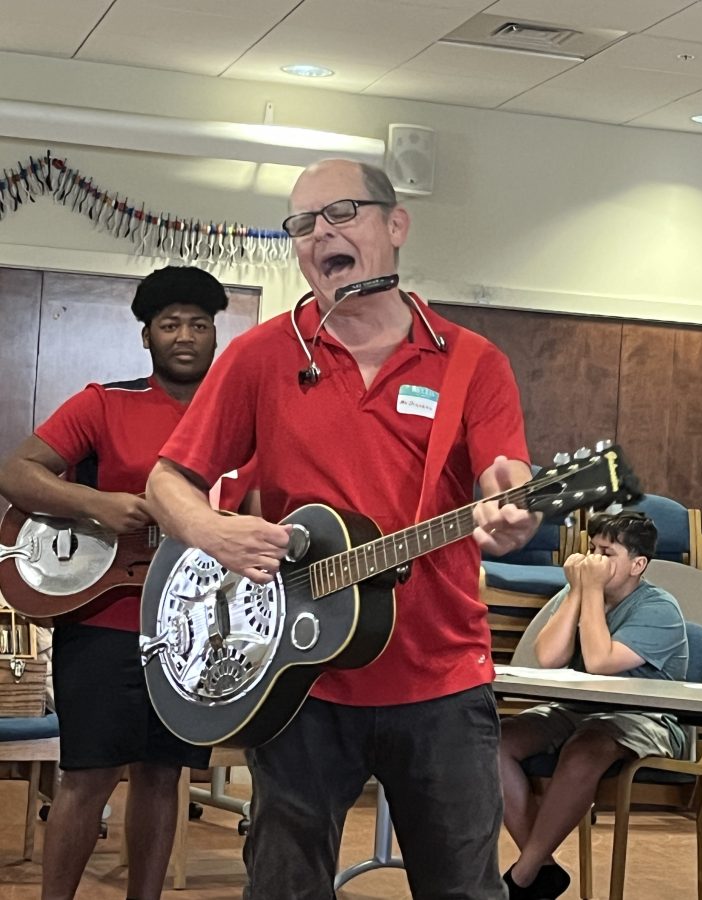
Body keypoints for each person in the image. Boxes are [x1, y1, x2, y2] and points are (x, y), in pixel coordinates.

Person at [145, 158, 538, 900]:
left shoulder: (471, 363)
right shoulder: (262, 356)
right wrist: (212, 531)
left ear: (396, 226)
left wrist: (513, 509)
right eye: (302, 224)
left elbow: (505, 477)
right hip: (299, 678)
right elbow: (168, 481)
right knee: (283, 887)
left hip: (441, 679)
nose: (320, 233)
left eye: (342, 214)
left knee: (463, 888)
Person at [0, 265, 232, 900]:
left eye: (199, 323)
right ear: (147, 336)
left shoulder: (242, 417)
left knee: (163, 777)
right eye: (169, 324)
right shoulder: (105, 402)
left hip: (198, 634)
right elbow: (17, 473)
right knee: (87, 776)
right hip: (105, 622)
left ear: (217, 335)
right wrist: (95, 503)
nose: (184, 335)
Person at [498, 510, 689, 899]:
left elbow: (602, 663)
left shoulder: (660, 609)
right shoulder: (584, 594)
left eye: (607, 552)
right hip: (576, 710)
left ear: (638, 565)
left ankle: (523, 876)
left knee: (587, 747)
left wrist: (591, 592)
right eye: (592, 548)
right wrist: (576, 592)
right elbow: (548, 657)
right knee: (492, 742)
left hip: (644, 718)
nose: (593, 561)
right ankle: (543, 870)